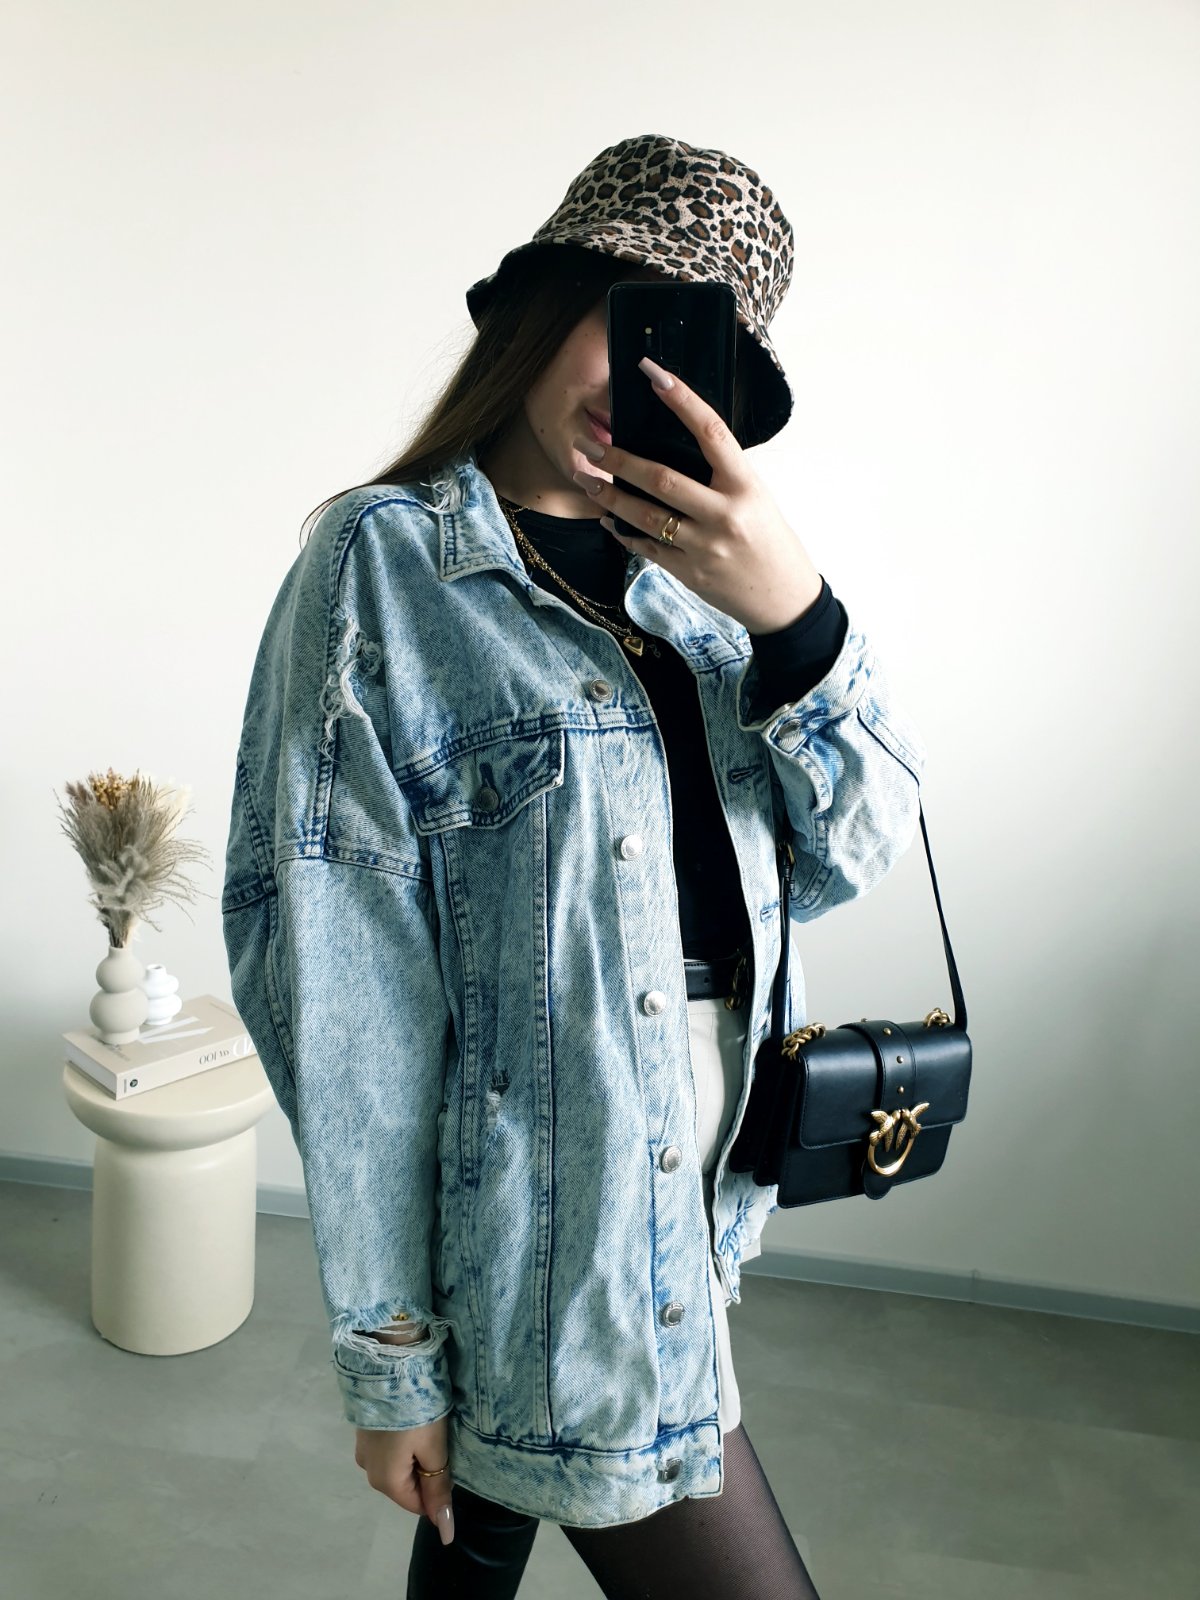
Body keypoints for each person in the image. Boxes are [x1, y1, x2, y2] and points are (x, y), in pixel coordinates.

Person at [222, 132, 927, 1600]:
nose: (642, 379)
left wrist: (796, 614)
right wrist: (392, 1355)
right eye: (627, 315)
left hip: (691, 1209)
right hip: (551, 1238)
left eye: (693, 352)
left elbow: (854, 849)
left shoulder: (712, 597)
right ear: (544, 309)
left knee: (478, 1534)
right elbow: (344, 988)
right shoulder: (382, 567)